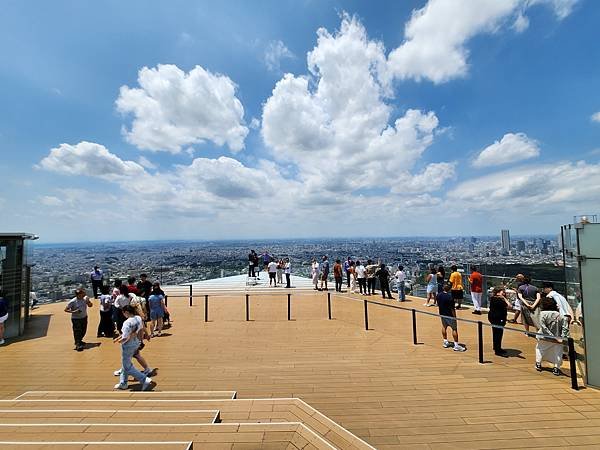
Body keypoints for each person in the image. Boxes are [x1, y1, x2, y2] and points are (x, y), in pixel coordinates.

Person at [113, 305, 156, 391]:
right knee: (126, 363)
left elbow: (125, 337)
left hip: (128, 345)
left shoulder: (127, 323)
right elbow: (139, 329)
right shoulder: (138, 318)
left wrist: (120, 341)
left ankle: (144, 379)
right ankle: (123, 383)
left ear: (126, 312)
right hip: (136, 342)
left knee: (127, 366)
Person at [536, 297, 568, 376]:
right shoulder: (561, 315)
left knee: (540, 349)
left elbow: (543, 327)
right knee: (558, 353)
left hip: (543, 337)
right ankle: (556, 368)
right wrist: (562, 338)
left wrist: (551, 336)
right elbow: (565, 328)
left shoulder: (542, 313)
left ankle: (538, 363)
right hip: (558, 338)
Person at [436, 283, 466, 352]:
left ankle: (445, 342)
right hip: (449, 315)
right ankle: (456, 345)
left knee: (444, 327)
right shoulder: (450, 297)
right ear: (449, 289)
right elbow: (452, 309)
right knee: (454, 329)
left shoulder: (439, 295)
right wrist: (455, 317)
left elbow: (438, 304)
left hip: (442, 314)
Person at [488, 286, 512, 356]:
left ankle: (496, 347)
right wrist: (504, 298)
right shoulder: (499, 300)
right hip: (498, 319)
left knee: (495, 333)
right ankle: (498, 350)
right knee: (498, 334)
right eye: (503, 292)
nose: (504, 293)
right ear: (498, 292)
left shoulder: (492, 298)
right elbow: (510, 306)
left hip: (492, 317)